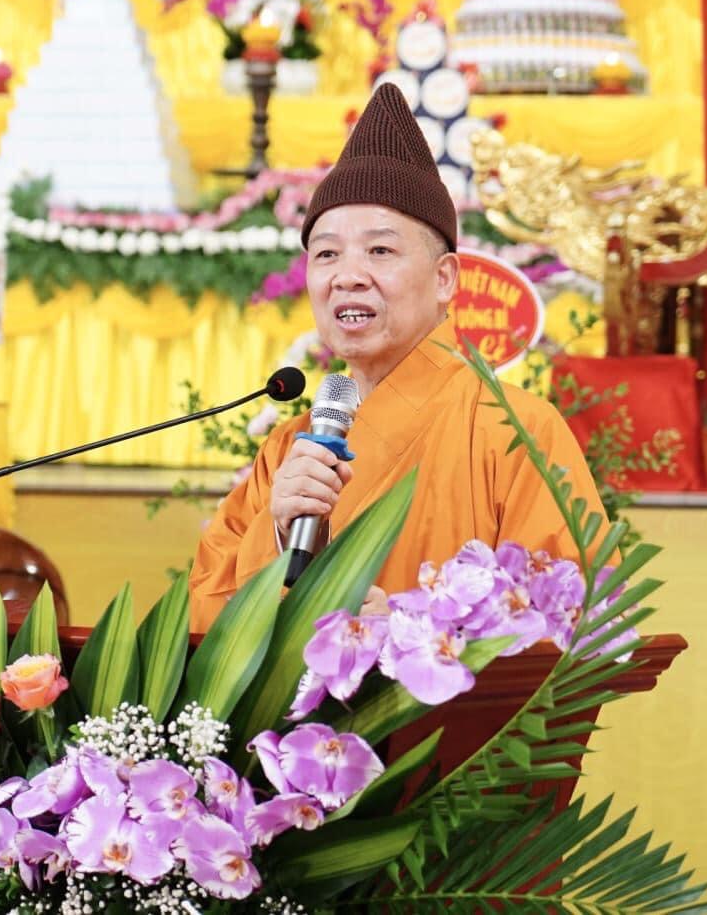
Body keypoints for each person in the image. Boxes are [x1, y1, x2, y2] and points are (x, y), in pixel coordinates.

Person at [188, 83, 606, 631]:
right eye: (327, 253)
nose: (347, 276)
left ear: (444, 278)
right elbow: (201, 623)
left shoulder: (517, 432)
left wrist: (415, 629)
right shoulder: (290, 450)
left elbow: (573, 619)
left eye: (380, 250)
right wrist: (276, 534)